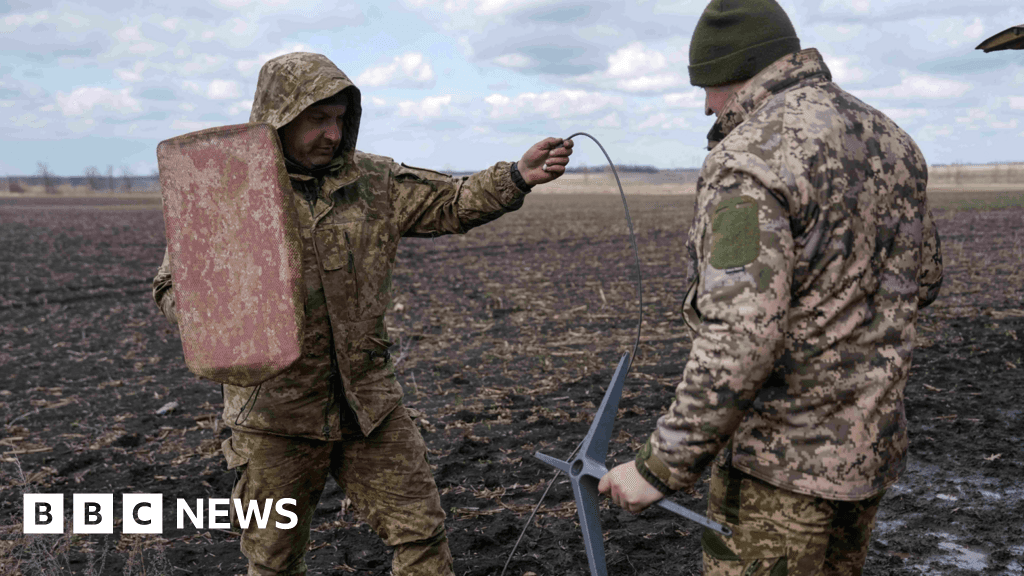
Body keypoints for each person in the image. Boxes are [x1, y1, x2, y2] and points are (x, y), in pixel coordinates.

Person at [152, 51, 572, 576]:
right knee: (273, 561)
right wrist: (222, 317)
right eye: (316, 118)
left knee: (421, 533)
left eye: (339, 118)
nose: (332, 133)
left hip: (368, 407)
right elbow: (174, 287)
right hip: (273, 416)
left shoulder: (374, 181)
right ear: (278, 117)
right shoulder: (226, 191)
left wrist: (517, 175)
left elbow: (453, 202)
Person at [597, 1, 943, 575]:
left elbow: (741, 334)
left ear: (733, 72)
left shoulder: (750, 157)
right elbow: (923, 281)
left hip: (777, 470)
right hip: (867, 459)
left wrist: (659, 467)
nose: (705, 105)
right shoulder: (892, 139)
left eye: (706, 87)